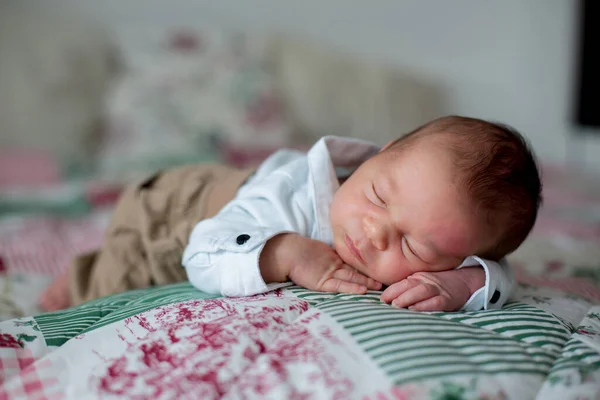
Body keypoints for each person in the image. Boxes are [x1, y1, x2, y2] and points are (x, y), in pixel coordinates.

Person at [39, 116, 542, 312]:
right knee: (118, 279)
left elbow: (501, 275)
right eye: (378, 198)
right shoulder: (292, 196)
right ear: (374, 156)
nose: (373, 231)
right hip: (171, 212)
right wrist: (282, 251)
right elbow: (202, 251)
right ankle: (75, 274)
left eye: (413, 247)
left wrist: (464, 285)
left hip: (217, 197)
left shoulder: (446, 232)